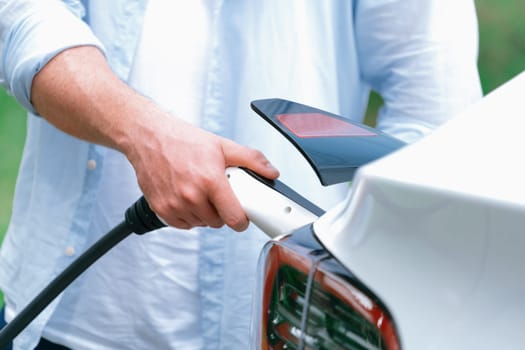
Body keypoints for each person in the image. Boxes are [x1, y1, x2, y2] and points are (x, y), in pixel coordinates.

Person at [0, 1, 482, 349]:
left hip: (281, 329)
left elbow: (433, 110)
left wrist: (350, 250)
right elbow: (23, 18)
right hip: (62, 321)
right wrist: (144, 133)